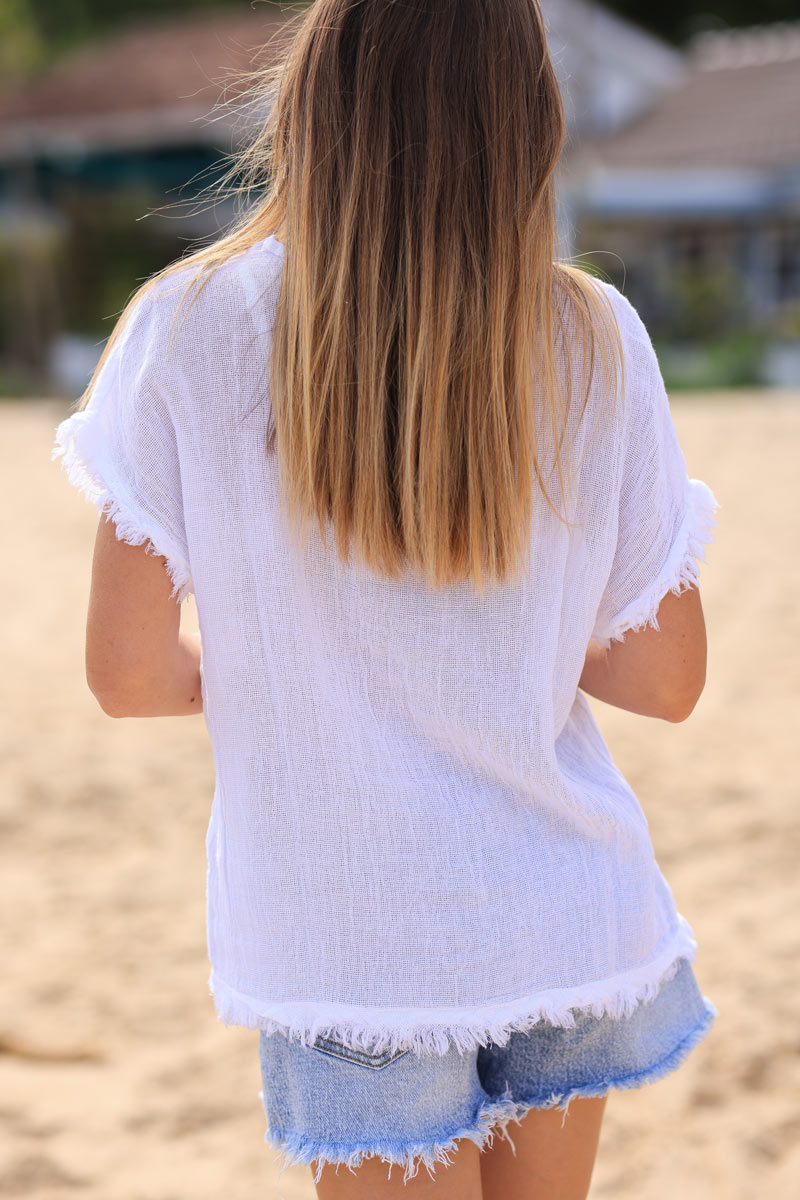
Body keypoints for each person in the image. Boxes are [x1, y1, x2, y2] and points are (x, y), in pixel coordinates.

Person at [51, 2, 720, 1197]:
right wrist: (504, 635)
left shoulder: (192, 325)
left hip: (350, 927)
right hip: (558, 914)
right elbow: (662, 679)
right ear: (528, 119)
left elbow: (129, 675)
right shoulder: (592, 336)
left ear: (312, 104)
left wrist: (281, 665)